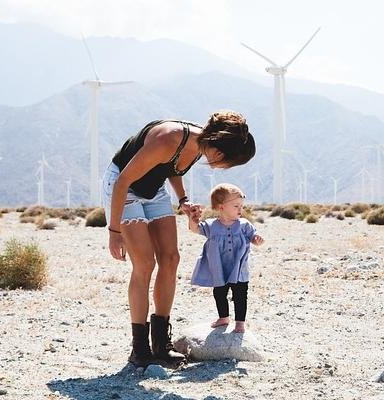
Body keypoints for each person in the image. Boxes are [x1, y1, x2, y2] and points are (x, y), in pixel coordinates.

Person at [102, 111, 256, 368]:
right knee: (145, 264)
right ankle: (139, 348)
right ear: (220, 150)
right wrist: (114, 231)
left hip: (155, 190)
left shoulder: (200, 145)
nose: (224, 167)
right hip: (124, 188)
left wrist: (183, 200)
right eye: (229, 162)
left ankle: (161, 344)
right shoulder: (169, 138)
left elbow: (173, 168)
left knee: (171, 258)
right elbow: (123, 180)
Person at [187, 183, 264, 334]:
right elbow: (195, 229)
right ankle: (224, 317)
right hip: (219, 267)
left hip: (239, 268)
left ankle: (240, 323)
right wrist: (192, 218)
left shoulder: (244, 225)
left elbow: (252, 236)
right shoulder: (211, 226)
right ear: (221, 207)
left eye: (241, 206)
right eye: (236, 206)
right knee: (219, 292)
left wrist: (257, 239)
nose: (240, 209)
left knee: (240, 294)